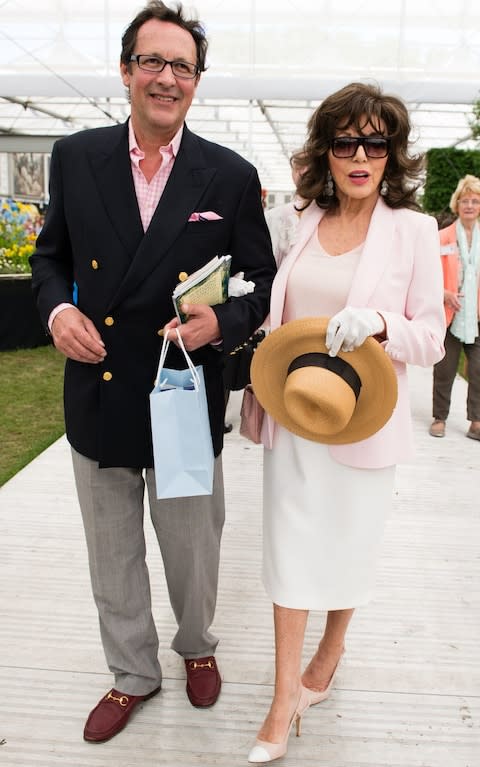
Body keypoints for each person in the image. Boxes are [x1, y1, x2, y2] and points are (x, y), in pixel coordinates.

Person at [30, 0, 275, 744]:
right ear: (127, 70)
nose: (166, 78)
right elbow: (51, 258)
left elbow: (261, 283)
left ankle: (196, 642)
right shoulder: (78, 157)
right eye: (152, 62)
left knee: (194, 550)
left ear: (197, 81)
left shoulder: (229, 176)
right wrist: (54, 312)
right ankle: (132, 670)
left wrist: (223, 324)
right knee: (113, 553)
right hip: (99, 389)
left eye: (182, 66)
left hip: (183, 389)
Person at [246, 81, 446, 763]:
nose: (360, 155)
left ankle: (331, 649)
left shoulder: (414, 231)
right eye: (345, 142)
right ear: (325, 152)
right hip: (296, 414)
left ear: (392, 153)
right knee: (288, 556)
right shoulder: (303, 217)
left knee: (347, 552)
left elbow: (432, 338)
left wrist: (382, 324)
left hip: (362, 424)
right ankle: (282, 698)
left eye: (375, 142)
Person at [429, 174, 480, 440]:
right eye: (465, 201)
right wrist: (444, 293)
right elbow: (427, 275)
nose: (470, 206)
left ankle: (476, 421)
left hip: (477, 316)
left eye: (475, 201)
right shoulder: (442, 237)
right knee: (445, 368)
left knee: (478, 371)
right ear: (456, 204)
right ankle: (439, 417)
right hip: (449, 313)